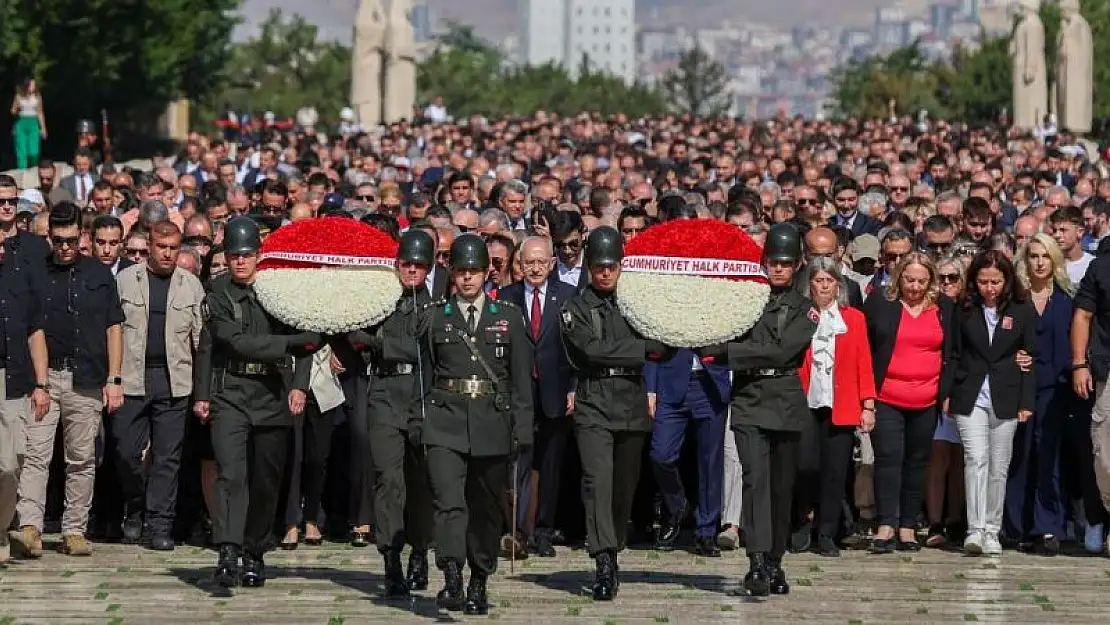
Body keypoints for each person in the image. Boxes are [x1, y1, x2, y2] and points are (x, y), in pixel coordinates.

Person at [695, 222, 816, 597]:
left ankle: (777, 560)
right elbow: (722, 332)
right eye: (772, 262)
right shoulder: (746, 300)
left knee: (782, 487)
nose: (778, 269)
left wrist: (731, 356)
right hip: (749, 398)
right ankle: (758, 561)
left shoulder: (806, 308)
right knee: (755, 481)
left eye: (785, 262)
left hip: (784, 396)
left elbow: (784, 351)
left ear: (797, 265)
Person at [417, 234, 533, 615]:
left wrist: (522, 429)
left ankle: (479, 578)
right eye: (461, 271)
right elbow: (427, 373)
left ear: (487, 273)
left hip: (491, 422)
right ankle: (451, 571)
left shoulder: (508, 318)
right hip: (445, 420)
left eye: (474, 272)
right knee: (448, 502)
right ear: (451, 273)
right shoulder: (436, 316)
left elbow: (519, 380)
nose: (467, 279)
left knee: (484, 509)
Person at [200, 217, 317, 588]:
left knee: (267, 479)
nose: (239, 261)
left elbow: (308, 339)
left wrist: (300, 384)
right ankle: (228, 550)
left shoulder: (277, 290)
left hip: (272, 393)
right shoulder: (218, 293)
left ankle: (254, 552)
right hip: (232, 391)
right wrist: (290, 345)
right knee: (231, 474)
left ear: (259, 255)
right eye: (233, 255)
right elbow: (234, 342)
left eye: (246, 255)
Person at [561, 226, 669, 600]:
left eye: (612, 266)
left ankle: (614, 541)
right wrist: (639, 350)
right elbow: (589, 351)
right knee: (597, 481)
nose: (605, 272)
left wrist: (636, 349)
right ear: (589, 267)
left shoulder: (636, 302)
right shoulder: (576, 307)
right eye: (599, 266)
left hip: (631, 399)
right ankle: (603, 557)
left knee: (624, 484)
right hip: (594, 400)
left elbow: (664, 344)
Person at [13, 202, 124, 558]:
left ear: (83, 237)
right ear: (49, 237)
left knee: (81, 458)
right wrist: (36, 381)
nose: (64, 247)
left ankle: (74, 530)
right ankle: (30, 526)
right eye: (58, 240)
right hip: (43, 378)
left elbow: (114, 326)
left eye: (72, 240)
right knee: (35, 454)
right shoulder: (35, 273)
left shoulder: (99, 274)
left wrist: (115, 378)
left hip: (87, 377)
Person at [349, 230, 436, 596]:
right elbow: (353, 333)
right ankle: (391, 556)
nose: (411, 270)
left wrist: (380, 343)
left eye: (418, 265)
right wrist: (377, 344)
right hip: (384, 393)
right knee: (389, 479)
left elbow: (421, 351)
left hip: (422, 395)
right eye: (406, 263)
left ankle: (419, 549)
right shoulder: (380, 302)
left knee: (422, 482)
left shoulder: (435, 307)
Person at [113, 221, 205, 550]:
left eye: (173, 248)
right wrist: (112, 380)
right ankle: (135, 507)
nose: (167, 254)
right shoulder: (125, 280)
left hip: (174, 381)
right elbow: (112, 334)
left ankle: (159, 524)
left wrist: (202, 389)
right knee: (126, 452)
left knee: (168, 457)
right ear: (149, 246)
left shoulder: (190, 286)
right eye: (161, 247)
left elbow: (200, 341)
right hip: (131, 377)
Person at [863, 252, 958, 553]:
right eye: (909, 279)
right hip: (887, 395)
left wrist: (946, 393)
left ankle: (907, 526)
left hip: (927, 399)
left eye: (921, 281)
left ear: (930, 280)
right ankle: (886, 523)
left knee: (917, 462)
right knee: (889, 458)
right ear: (899, 276)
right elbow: (865, 348)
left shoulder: (944, 307)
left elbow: (953, 354)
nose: (914, 287)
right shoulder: (880, 302)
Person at [949, 251, 1036, 556]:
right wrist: (947, 394)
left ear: (1007, 280)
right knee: (976, 460)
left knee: (999, 467)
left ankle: (991, 529)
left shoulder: (1022, 310)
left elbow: (1031, 357)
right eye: (983, 281)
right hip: (970, 393)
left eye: (996, 282)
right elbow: (953, 353)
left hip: (1007, 394)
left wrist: (1027, 401)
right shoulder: (962, 308)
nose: (989, 288)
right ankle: (974, 530)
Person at [497, 237, 577, 558]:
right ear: (519, 263)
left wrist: (574, 387)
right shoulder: (506, 298)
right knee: (518, 463)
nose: (534, 268)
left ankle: (543, 531)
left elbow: (576, 348)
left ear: (551, 263)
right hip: (519, 396)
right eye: (528, 261)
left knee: (551, 465)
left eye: (541, 262)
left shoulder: (568, 296)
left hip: (556, 394)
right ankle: (518, 532)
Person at [796, 257, 876, 557]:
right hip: (806, 402)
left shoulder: (853, 318)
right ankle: (804, 520)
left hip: (842, 403)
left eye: (829, 280)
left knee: (835, 471)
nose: (824, 286)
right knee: (805, 466)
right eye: (818, 280)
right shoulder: (800, 315)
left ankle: (828, 532)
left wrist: (868, 405)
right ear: (810, 284)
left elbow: (863, 362)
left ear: (838, 285)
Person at [1006, 234, 1073, 554]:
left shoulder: (1067, 298)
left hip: (1056, 388)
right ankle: (1016, 526)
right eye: (1033, 256)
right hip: (1019, 387)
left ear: (1055, 260)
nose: (1040, 262)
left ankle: (1047, 526)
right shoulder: (1015, 299)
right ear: (1025, 260)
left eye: (1046, 256)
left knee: (1049, 456)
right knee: (1019, 455)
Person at [0, 232, 51, 564]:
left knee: (9, 464)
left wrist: (42, 383)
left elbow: (35, 330)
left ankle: (1, 528)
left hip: (14, 377)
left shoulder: (21, 273)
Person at [923, 256, 967, 548]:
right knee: (938, 456)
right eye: (943, 278)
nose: (948, 283)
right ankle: (935, 520)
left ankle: (956, 519)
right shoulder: (933, 309)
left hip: (963, 387)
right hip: (934, 388)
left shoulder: (969, 308)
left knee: (961, 458)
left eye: (954, 277)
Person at [10, 78, 47, 169]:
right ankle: (22, 169)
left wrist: (43, 128)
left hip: (33, 123)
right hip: (21, 123)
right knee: (21, 150)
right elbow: (12, 110)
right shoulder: (19, 96)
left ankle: (34, 167)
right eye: (31, 85)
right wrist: (17, 110)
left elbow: (40, 112)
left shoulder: (37, 97)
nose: (33, 87)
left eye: (34, 85)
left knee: (34, 151)